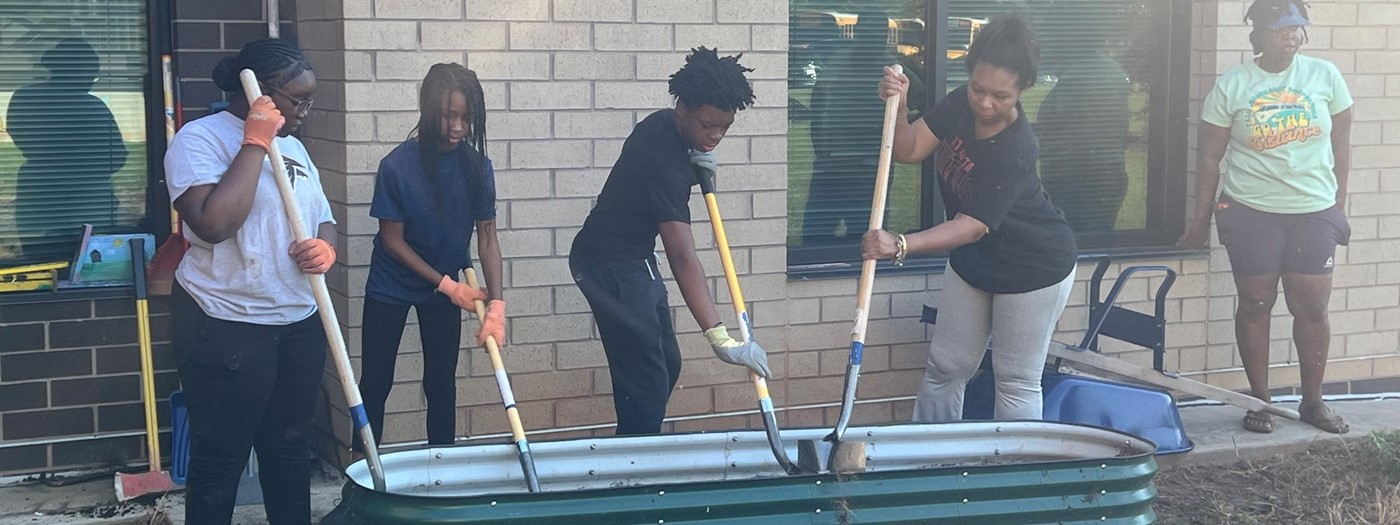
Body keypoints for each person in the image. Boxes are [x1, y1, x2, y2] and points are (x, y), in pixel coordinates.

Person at [863, 15, 1078, 422]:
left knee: (1014, 379)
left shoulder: (1016, 148)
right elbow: (908, 150)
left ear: (1022, 90)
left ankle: (1012, 479)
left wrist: (902, 243)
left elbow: (972, 224)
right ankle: (931, 465)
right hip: (974, 259)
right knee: (945, 368)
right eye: (979, 88)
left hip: (1033, 265)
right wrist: (900, 102)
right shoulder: (961, 101)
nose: (984, 102)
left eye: (1001, 95)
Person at [163, 38, 333, 524]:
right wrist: (255, 142)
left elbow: (321, 217)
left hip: (297, 319)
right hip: (225, 321)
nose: (304, 110)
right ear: (256, 89)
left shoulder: (296, 146)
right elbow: (213, 223)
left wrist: (327, 247)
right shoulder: (201, 139)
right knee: (220, 462)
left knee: (289, 450)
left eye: (310, 100)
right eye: (297, 99)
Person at [569, 47, 772, 435]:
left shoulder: (667, 129)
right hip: (605, 263)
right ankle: (634, 465)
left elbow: (646, 188)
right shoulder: (662, 158)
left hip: (634, 257)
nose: (715, 135)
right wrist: (719, 337)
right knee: (645, 380)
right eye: (707, 124)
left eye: (724, 127)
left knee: (665, 362)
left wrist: (693, 159)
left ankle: (636, 443)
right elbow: (682, 256)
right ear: (682, 107)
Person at [1177, 0, 1352, 435]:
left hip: (1313, 213)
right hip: (1250, 212)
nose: (1290, 36)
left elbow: (1342, 147)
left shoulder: (1325, 77)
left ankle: (1313, 402)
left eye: (1296, 28)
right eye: (1279, 29)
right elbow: (1209, 159)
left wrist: (1338, 208)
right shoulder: (1233, 85)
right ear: (1258, 33)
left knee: (1311, 307)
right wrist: (1200, 220)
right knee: (1255, 303)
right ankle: (1260, 400)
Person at [357, 63, 503, 447]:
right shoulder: (397, 167)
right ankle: (361, 475)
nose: (458, 127)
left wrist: (498, 305)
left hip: (445, 288)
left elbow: (487, 239)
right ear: (428, 110)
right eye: (449, 116)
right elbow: (392, 241)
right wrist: (447, 285)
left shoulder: (477, 167)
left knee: (440, 382)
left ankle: (444, 469)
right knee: (376, 381)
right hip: (392, 285)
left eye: (466, 118)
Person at [7, 38, 128, 255]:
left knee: (39, 262)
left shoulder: (24, 98)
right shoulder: (93, 107)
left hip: (36, 194)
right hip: (87, 199)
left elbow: (20, 137)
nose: (92, 80)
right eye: (92, 74)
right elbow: (117, 158)